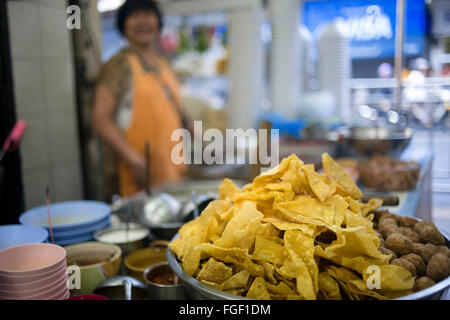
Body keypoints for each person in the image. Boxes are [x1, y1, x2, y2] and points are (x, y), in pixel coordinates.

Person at [92, 0, 189, 197]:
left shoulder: (163, 62)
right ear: (123, 25)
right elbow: (100, 120)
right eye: (134, 16)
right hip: (137, 173)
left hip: (172, 167)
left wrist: (205, 141)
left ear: (158, 21)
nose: (142, 21)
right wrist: (134, 160)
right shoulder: (118, 65)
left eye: (148, 14)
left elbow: (178, 110)